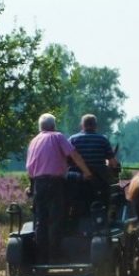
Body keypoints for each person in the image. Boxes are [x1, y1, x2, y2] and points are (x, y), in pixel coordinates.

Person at [26, 113, 92, 263]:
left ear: (40, 127)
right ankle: (55, 254)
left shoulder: (33, 141)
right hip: (55, 183)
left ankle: (41, 254)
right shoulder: (57, 137)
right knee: (57, 217)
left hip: (38, 183)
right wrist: (87, 172)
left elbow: (29, 168)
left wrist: (31, 185)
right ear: (53, 126)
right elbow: (74, 155)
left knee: (41, 220)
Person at [69, 114, 120, 211]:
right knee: (108, 195)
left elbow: (67, 161)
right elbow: (113, 162)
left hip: (78, 180)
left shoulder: (73, 139)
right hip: (99, 180)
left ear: (82, 125)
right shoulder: (103, 139)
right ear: (95, 126)